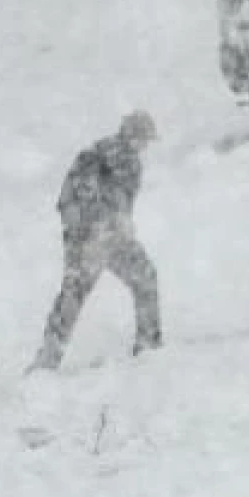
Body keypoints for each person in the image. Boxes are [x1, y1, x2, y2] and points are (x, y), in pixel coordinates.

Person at [29, 110, 163, 372]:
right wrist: (104, 228)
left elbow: (69, 198)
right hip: (101, 236)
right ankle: (148, 346)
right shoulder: (122, 158)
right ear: (134, 136)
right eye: (144, 139)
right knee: (144, 278)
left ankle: (48, 356)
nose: (145, 146)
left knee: (73, 295)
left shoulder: (97, 151)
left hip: (83, 236)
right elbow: (106, 200)